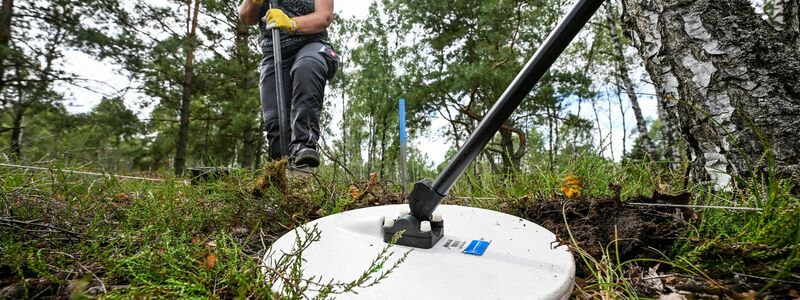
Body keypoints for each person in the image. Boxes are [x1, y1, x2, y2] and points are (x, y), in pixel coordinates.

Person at [239, 0, 337, 168]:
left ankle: (303, 147)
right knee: (275, 121)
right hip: (274, 53)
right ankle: (282, 173)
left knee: (306, 66)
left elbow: (324, 16)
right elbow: (245, 17)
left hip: (311, 45)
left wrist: (291, 23)